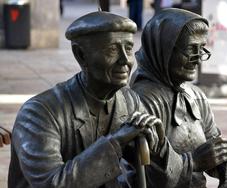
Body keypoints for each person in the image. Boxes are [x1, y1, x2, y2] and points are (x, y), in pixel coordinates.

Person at [8, 11, 164, 188]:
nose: (125, 60)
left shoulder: (129, 101)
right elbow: (51, 183)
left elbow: (154, 175)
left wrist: (158, 149)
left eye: (128, 48)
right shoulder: (39, 113)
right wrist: (116, 143)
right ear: (81, 55)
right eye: (112, 49)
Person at [131, 8, 227, 187]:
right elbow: (144, 172)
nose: (198, 59)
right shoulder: (140, 100)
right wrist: (193, 162)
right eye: (191, 49)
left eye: (201, 49)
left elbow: (210, 149)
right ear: (164, 49)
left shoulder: (196, 96)